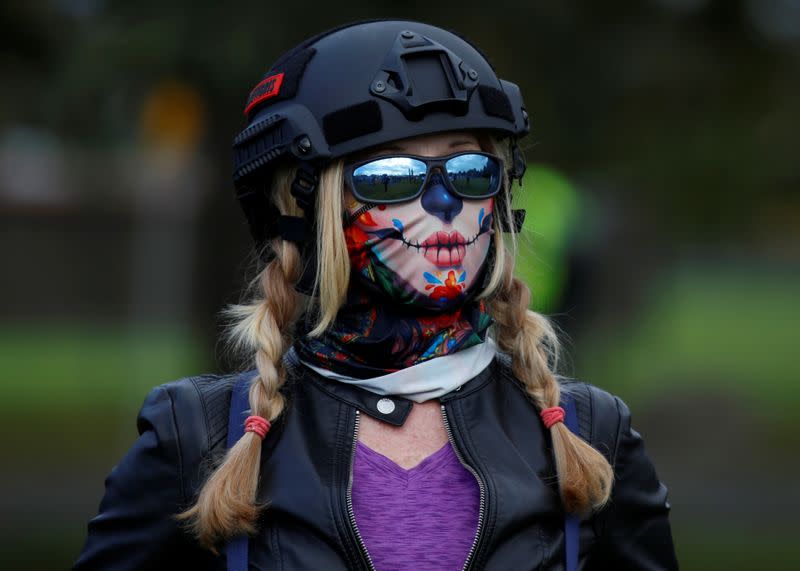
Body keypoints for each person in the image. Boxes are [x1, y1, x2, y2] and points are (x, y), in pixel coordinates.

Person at [73, 19, 678, 570]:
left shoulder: (590, 434)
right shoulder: (196, 436)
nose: (443, 205)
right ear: (307, 213)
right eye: (391, 177)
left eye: (469, 171)